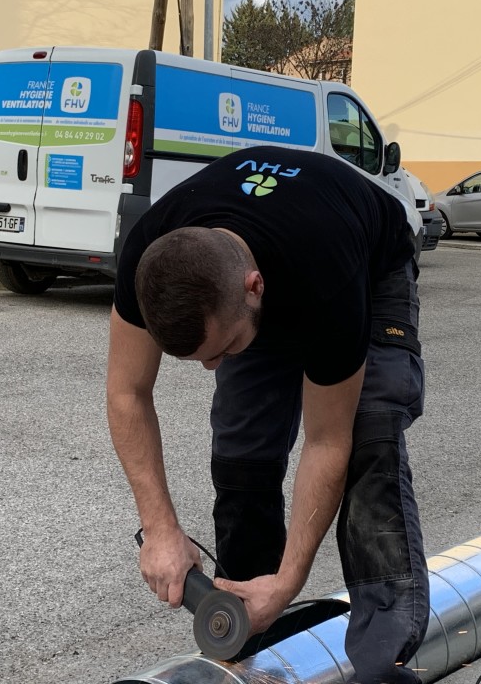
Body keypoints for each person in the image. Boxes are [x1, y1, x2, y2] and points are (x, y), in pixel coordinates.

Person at [106, 145, 429, 683]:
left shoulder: (329, 276)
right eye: (199, 357)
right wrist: (159, 529)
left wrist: (289, 581)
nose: (212, 367)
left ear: (254, 289)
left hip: (366, 265)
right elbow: (127, 394)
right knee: (242, 452)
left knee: (370, 439)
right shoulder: (151, 254)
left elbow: (326, 441)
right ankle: (247, 642)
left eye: (222, 349)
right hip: (258, 270)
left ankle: (383, 664)